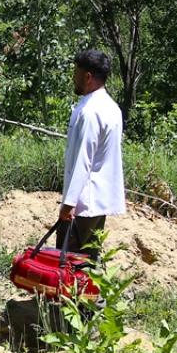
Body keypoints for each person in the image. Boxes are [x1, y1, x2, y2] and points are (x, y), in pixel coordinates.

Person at [58, 49, 125, 262]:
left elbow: (83, 160)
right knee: (88, 263)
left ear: (87, 77)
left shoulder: (90, 111)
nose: (73, 78)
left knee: (68, 264)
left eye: (76, 73)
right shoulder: (112, 107)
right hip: (99, 202)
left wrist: (69, 204)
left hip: (83, 204)